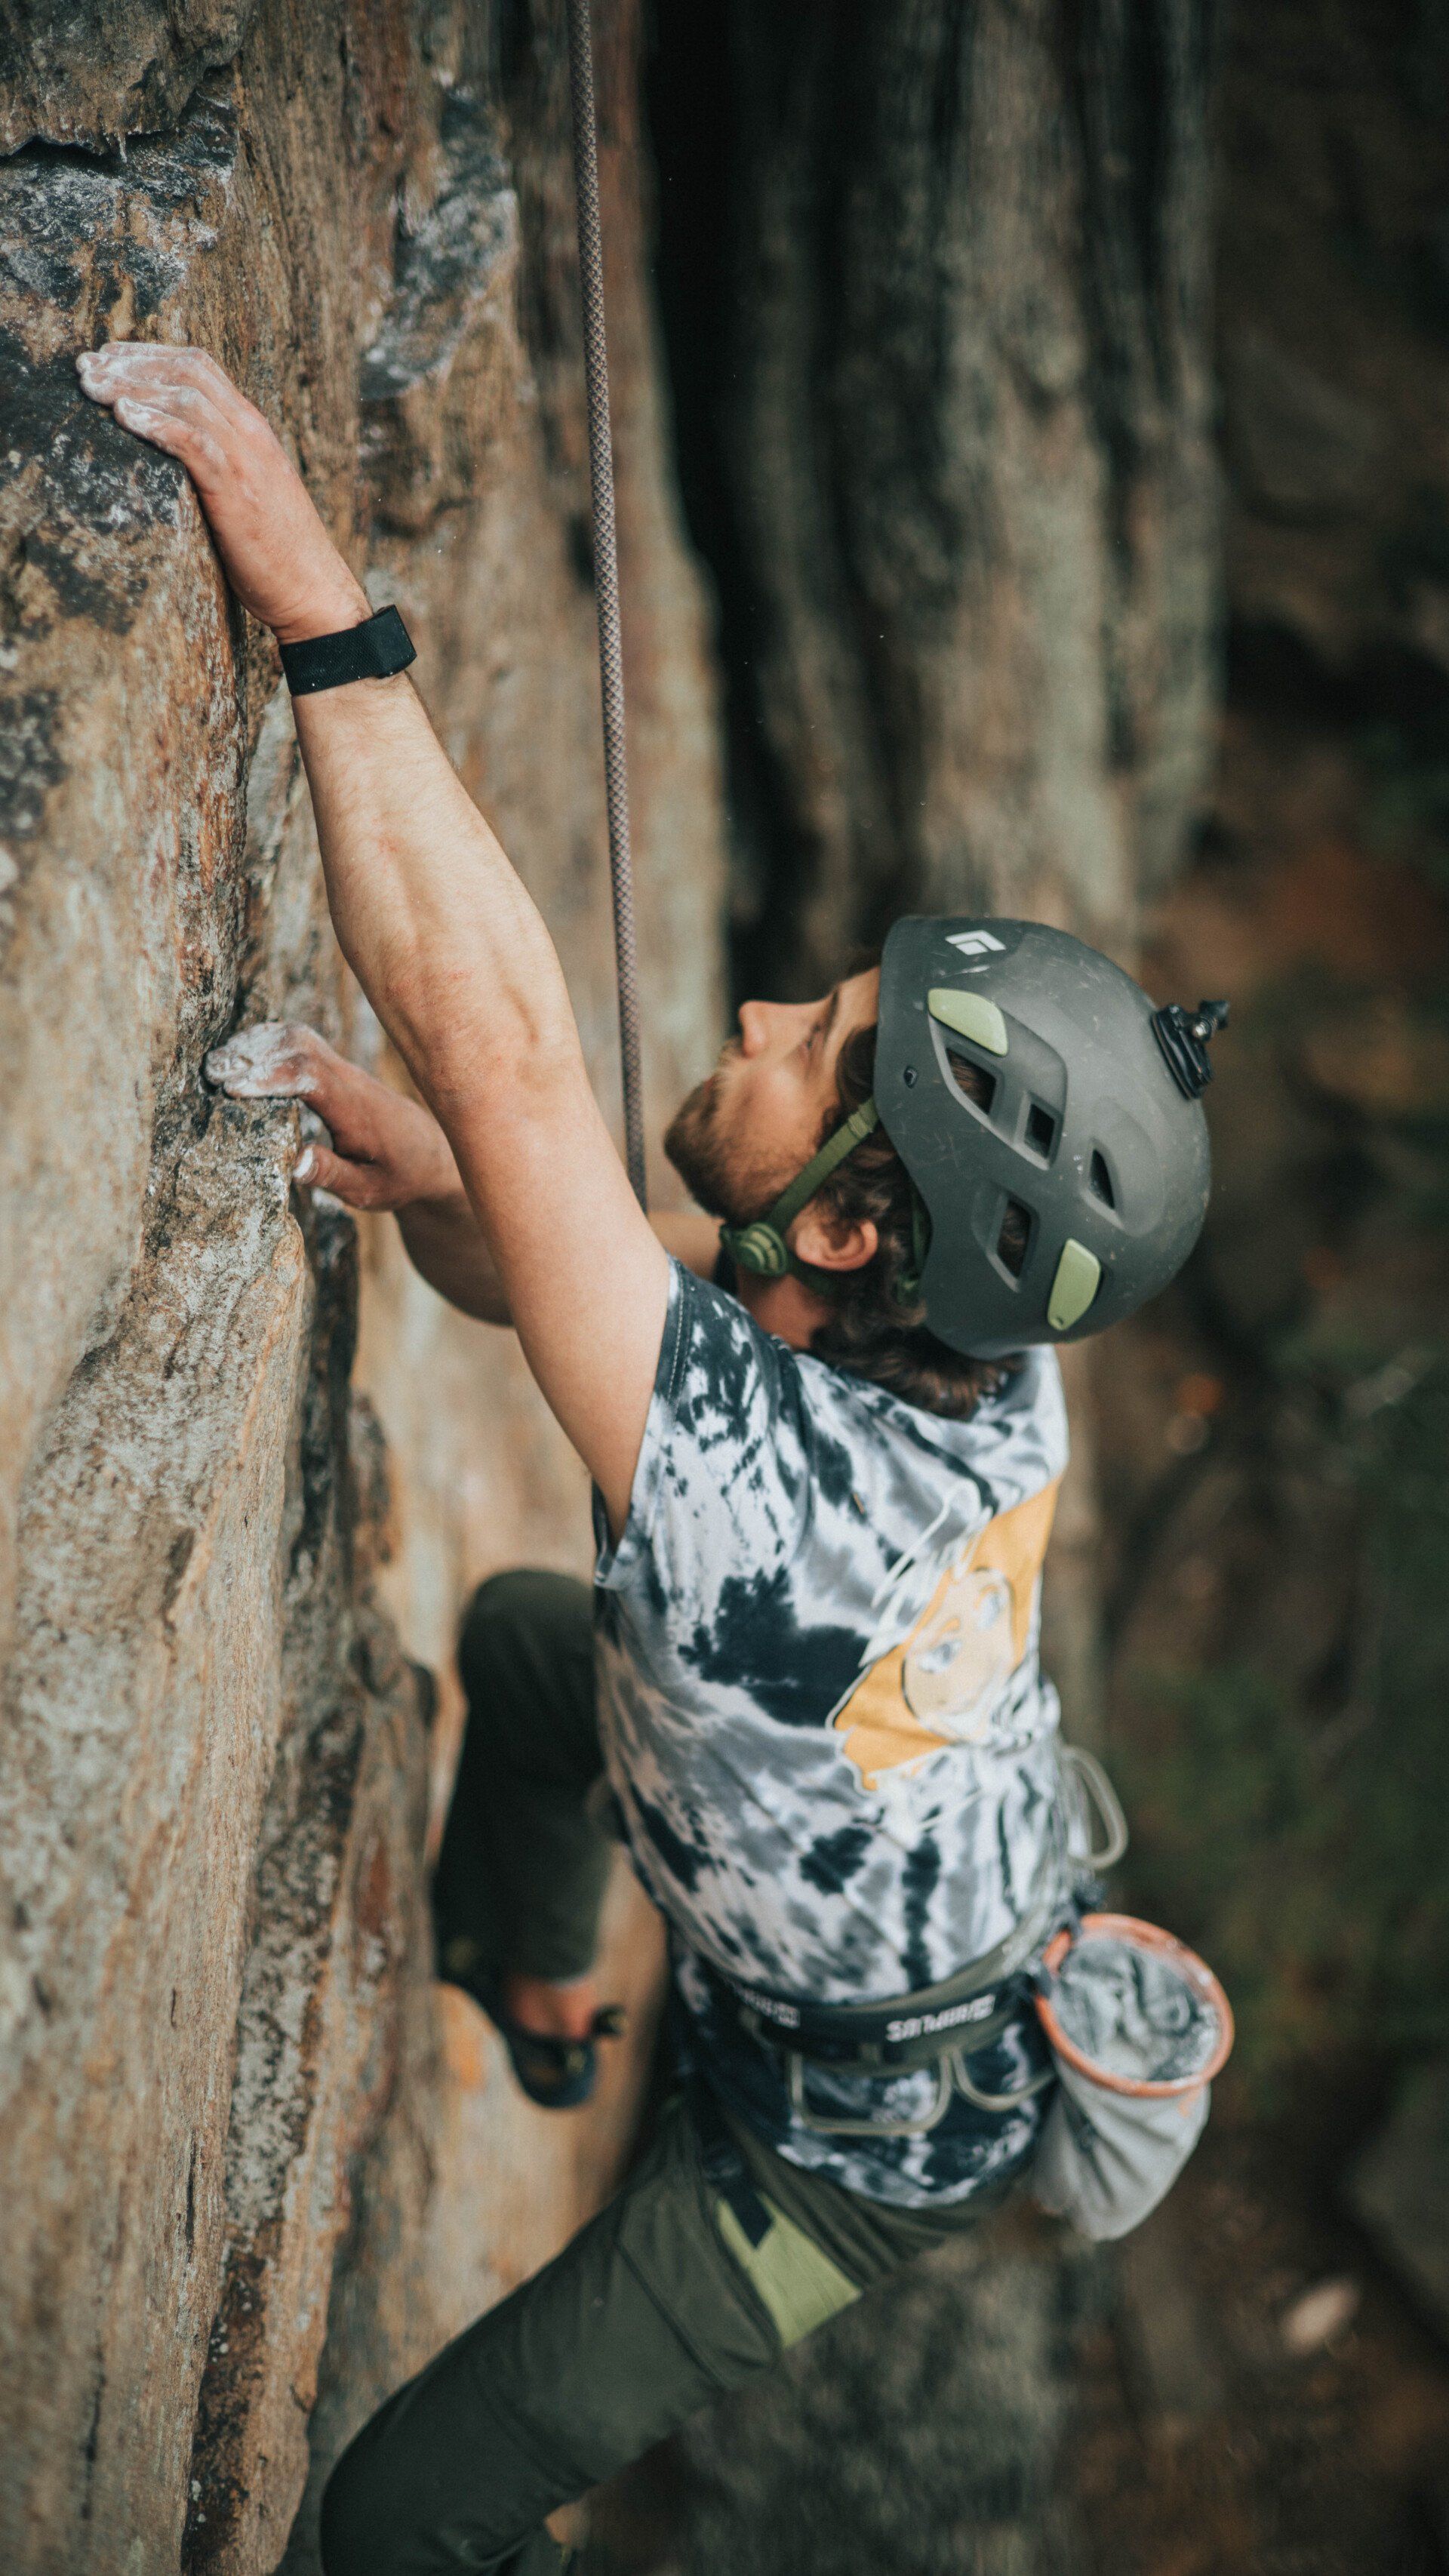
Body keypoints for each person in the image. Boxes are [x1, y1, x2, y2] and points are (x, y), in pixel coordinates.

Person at [78, 341, 1226, 2576]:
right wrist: (470, 1196)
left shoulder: (763, 1507)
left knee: (404, 2517)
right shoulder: (987, 1362)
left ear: (862, 1221)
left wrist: (312, 581)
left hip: (846, 2155)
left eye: (817, 1043)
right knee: (533, 1646)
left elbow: (503, 1055)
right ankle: (536, 1978)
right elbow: (599, 1285)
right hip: (851, 1894)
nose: (763, 1014)